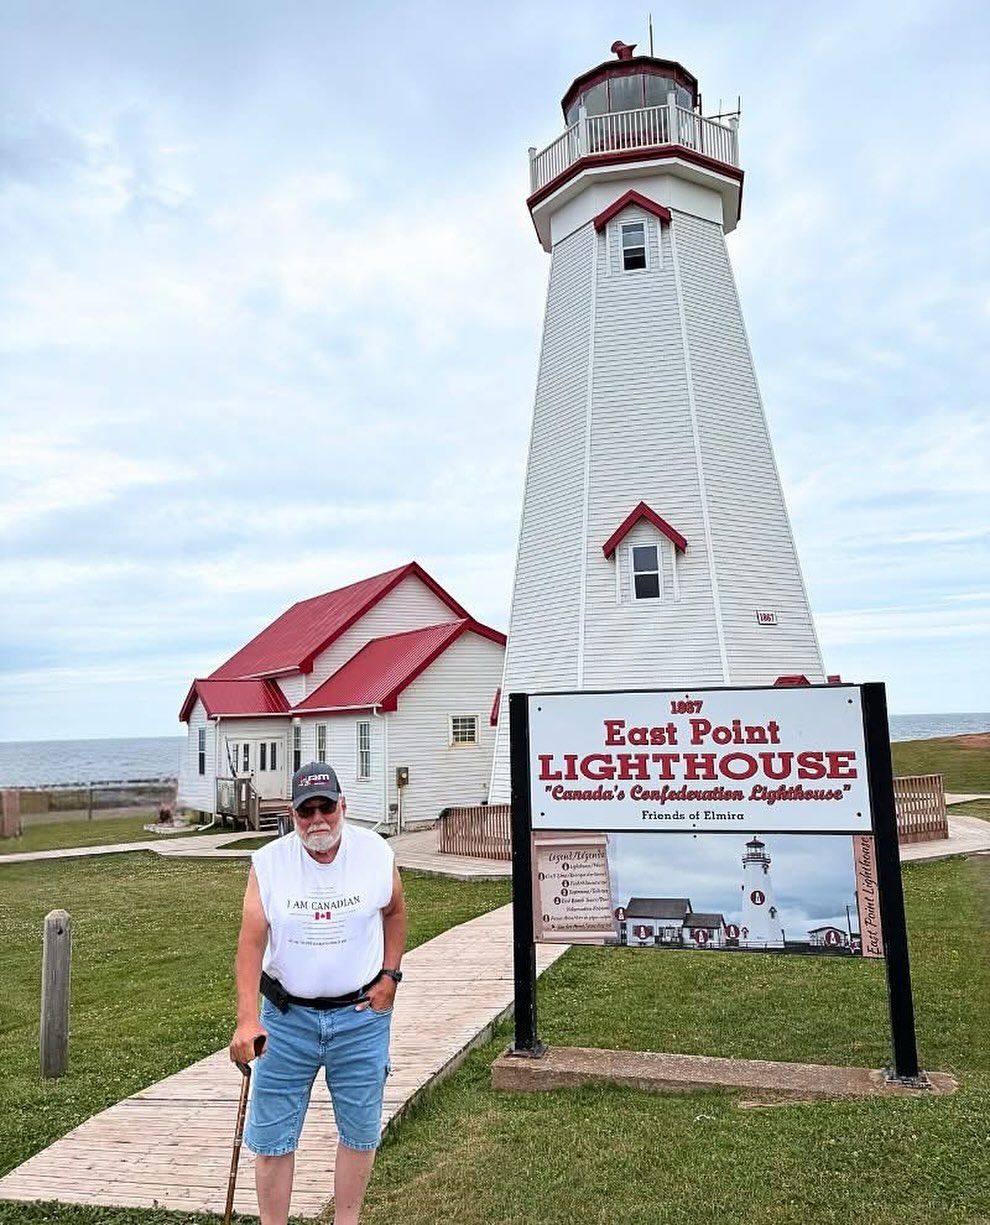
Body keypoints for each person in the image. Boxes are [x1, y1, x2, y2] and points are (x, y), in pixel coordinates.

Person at [229, 761, 406, 1225]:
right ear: (292, 814)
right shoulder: (269, 864)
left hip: (360, 1017)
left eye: (326, 807)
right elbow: (250, 946)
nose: (317, 820)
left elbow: (394, 911)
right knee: (272, 1139)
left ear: (343, 805)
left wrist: (390, 975)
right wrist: (247, 1020)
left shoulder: (375, 852)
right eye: (306, 811)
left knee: (360, 1132)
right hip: (285, 1021)